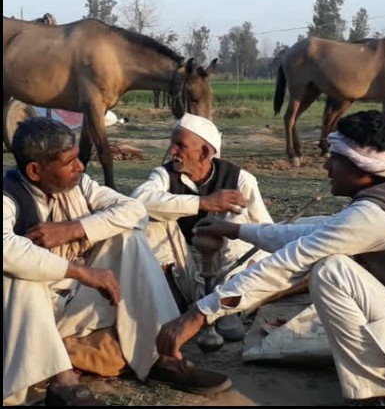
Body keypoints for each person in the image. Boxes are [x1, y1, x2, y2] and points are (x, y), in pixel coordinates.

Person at [156, 110, 385, 406]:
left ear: (362, 166)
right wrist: (236, 230)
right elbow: (308, 236)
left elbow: (292, 260)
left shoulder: (375, 215)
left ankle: (384, 395)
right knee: (326, 256)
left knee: (331, 270)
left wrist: (197, 315)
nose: (327, 166)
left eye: (335, 159)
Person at [3, 118, 231, 406]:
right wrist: (82, 272)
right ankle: (63, 383)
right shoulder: (8, 197)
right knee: (21, 270)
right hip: (26, 317)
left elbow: (135, 210)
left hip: (71, 304)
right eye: (70, 162)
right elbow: (7, 250)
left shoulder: (78, 184)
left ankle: (161, 356)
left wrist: (74, 229)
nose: (81, 167)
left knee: (129, 238)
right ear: (35, 170)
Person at [131, 113, 272, 341]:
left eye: (180, 145)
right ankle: (172, 301)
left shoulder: (240, 180)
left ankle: (227, 307)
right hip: (185, 267)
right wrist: (202, 203)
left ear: (204, 152)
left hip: (227, 272)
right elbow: (137, 202)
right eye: (172, 144)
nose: (172, 151)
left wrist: (254, 266)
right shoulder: (165, 175)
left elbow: (265, 231)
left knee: (235, 215)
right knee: (150, 220)